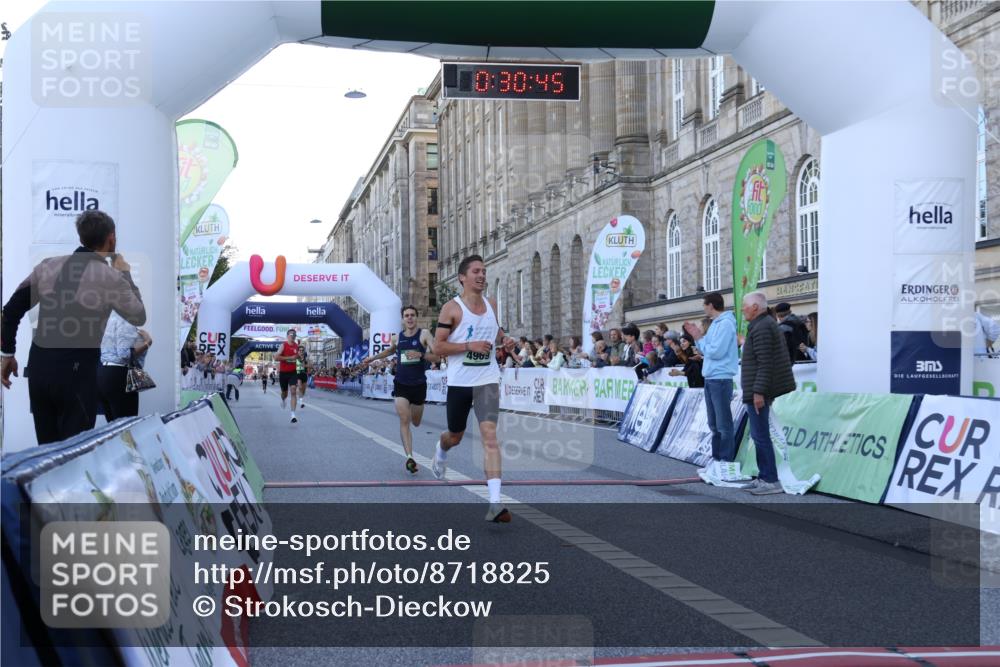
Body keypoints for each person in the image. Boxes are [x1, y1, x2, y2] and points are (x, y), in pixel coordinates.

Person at [1, 210, 146, 444]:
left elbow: (10, 311)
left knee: (46, 456)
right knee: (73, 459)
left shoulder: (47, 267)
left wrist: (7, 354)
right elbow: (138, 315)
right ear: (112, 237)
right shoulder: (111, 277)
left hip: (40, 372)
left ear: (81, 238)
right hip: (77, 377)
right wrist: (126, 274)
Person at [432, 255, 509, 522]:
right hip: (460, 383)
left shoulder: (492, 305)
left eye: (484, 271)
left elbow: (495, 331)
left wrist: (505, 340)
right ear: (462, 277)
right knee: (455, 437)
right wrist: (468, 346)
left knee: (490, 437)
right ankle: (441, 452)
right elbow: (437, 347)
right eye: (476, 271)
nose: (482, 276)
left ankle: (495, 503)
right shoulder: (451, 308)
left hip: (487, 380)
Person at [362, 305, 437, 473]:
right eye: (406, 315)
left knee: (416, 422)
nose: (409, 318)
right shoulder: (397, 338)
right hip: (401, 384)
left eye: (412, 315)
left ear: (416, 318)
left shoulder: (424, 335)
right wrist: (372, 358)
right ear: (403, 319)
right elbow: (389, 351)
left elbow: (437, 356)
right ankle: (410, 457)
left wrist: (421, 355)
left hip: (418, 385)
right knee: (404, 419)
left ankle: (416, 413)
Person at [740, 291, 797, 495]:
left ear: (755, 307)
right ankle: (764, 476)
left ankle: (770, 480)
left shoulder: (762, 327)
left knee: (761, 435)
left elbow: (765, 363)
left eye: (744, 306)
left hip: (758, 391)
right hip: (757, 389)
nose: (742, 309)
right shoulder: (761, 325)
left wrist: (758, 392)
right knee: (759, 435)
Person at [684, 291, 738, 470]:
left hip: (721, 378)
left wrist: (699, 338)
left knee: (723, 423)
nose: (703, 308)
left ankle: (725, 461)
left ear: (711, 305)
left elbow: (715, 352)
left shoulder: (725, 324)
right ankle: (717, 460)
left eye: (704, 305)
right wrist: (699, 339)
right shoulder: (716, 324)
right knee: (714, 424)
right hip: (712, 377)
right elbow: (707, 348)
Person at [97, 311, 152, 421]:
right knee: (126, 428)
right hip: (119, 376)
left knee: (114, 428)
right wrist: (147, 343)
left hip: (104, 374)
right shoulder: (126, 320)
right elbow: (124, 354)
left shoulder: (109, 318)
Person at [275, 329, 301, 423]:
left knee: (293, 391)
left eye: (294, 335)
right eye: (291, 334)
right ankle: (283, 400)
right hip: (283, 373)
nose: (293, 336)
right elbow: (276, 357)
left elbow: (298, 357)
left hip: (293, 372)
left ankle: (293, 415)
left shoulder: (296, 346)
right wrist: (290, 358)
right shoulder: (283, 345)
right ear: (287, 336)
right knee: (284, 394)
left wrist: (299, 357)